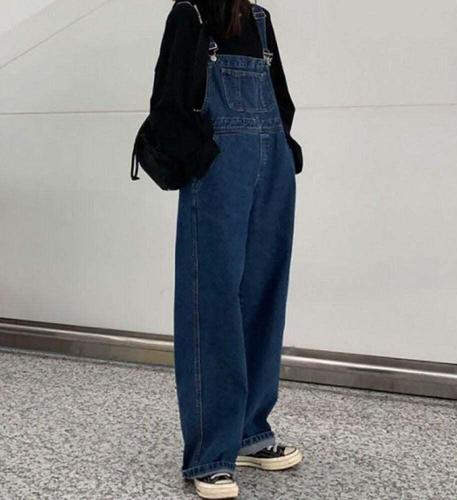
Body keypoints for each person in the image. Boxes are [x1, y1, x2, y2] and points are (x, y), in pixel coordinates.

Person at [148, 1, 303, 497]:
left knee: (263, 297)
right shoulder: (191, 15)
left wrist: (286, 151)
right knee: (211, 305)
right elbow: (168, 104)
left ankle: (250, 432)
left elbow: (281, 99)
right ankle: (210, 453)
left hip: (272, 169)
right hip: (218, 175)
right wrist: (205, 160)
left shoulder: (260, 20)